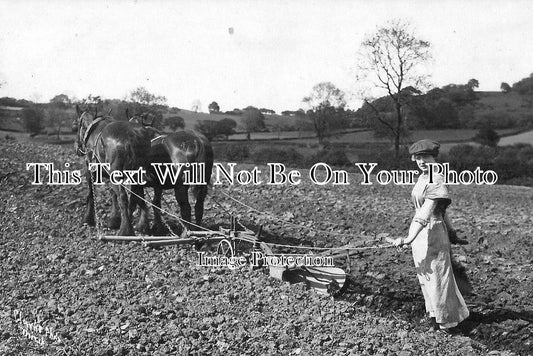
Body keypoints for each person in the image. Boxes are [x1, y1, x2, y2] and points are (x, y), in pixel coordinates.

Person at [391, 139, 469, 333]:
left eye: (425, 156)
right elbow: (443, 210)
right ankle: (435, 316)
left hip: (432, 233)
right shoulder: (424, 176)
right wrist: (453, 233)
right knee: (426, 277)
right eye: (417, 157)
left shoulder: (436, 179)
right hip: (420, 234)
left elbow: (427, 211)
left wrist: (407, 238)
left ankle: (448, 323)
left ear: (433, 156)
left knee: (438, 280)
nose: (421, 161)